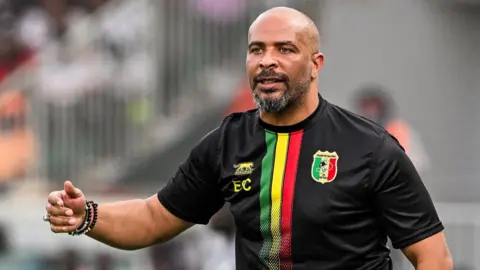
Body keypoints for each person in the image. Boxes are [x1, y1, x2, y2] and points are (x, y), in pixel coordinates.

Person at [44, 7, 453, 270]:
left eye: (285, 49)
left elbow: (432, 256)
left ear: (316, 65)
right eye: (256, 49)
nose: (267, 60)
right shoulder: (226, 143)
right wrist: (89, 217)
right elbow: (154, 219)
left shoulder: (371, 147)